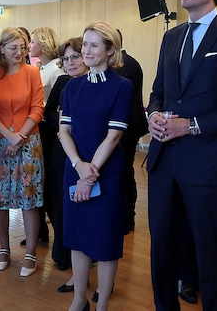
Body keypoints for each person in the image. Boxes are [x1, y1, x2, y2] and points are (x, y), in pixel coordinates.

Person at [147, 0, 217, 310]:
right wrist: (151, 116)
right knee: (161, 250)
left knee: (208, 253)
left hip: (208, 163)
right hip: (164, 160)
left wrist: (192, 125)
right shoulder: (171, 37)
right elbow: (158, 93)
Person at [59, 21, 132, 311]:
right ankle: (79, 299)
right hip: (75, 169)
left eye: (93, 45)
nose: (85, 51)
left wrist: (89, 175)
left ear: (110, 49)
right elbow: (64, 132)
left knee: (105, 239)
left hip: (107, 172)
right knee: (76, 238)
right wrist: (78, 165)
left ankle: (101, 304)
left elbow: (113, 136)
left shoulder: (122, 86)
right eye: (84, 45)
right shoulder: (71, 86)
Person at [0, 27, 44, 277]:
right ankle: (3, 249)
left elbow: (37, 109)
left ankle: (30, 253)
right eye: (14, 47)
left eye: (23, 47)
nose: (20, 52)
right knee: (0, 198)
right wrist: (8, 136)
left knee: (29, 199)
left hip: (28, 142)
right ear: (2, 48)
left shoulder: (32, 72)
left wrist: (19, 136)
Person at [45, 37, 88, 278]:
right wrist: (62, 122)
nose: (70, 62)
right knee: (57, 201)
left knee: (79, 205)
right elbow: (49, 112)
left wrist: (72, 123)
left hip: (84, 152)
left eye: (75, 56)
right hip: (60, 150)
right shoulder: (63, 82)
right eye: (66, 58)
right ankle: (62, 249)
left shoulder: (97, 84)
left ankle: (81, 253)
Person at [28, 26, 65, 245]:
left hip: (49, 131)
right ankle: (40, 231)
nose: (30, 46)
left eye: (32, 41)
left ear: (42, 44)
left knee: (50, 184)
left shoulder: (56, 70)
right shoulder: (43, 68)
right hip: (40, 128)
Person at [113, 30, 148, 232]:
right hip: (128, 127)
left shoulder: (123, 64)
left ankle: (127, 218)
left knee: (124, 172)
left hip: (127, 129)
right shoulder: (126, 61)